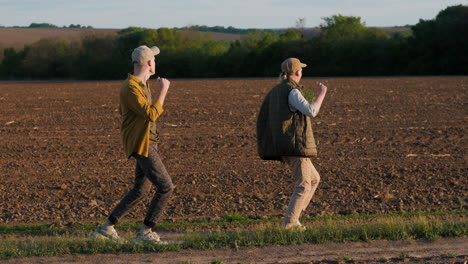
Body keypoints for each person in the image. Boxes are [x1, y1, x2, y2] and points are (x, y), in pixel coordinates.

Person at [93, 45, 174, 243]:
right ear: (148, 63)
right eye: (153, 59)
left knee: (141, 190)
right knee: (166, 187)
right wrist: (163, 92)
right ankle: (146, 232)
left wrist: (148, 83)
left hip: (147, 143)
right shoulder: (131, 88)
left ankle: (106, 228)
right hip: (142, 145)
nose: (155, 62)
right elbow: (151, 114)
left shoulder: (140, 84)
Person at [256, 58, 327, 230]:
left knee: (314, 179)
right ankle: (289, 224)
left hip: (284, 143)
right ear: (297, 72)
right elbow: (311, 111)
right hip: (294, 145)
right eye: (301, 70)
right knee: (303, 184)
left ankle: (295, 218)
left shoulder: (276, 90)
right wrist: (321, 94)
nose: (301, 73)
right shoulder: (292, 92)